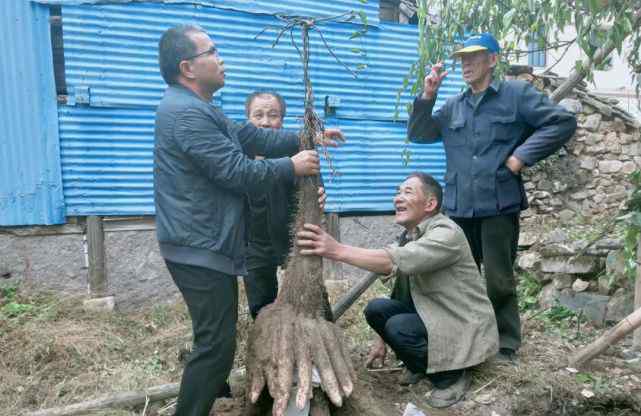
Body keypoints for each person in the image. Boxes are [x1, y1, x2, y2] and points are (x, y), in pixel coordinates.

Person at [154, 25, 343, 416]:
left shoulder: (201, 108)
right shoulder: (186, 115)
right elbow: (238, 172)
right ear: (188, 67)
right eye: (213, 51)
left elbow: (253, 138)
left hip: (203, 242)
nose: (220, 58)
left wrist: (306, 139)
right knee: (215, 347)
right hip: (198, 245)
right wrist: (292, 166)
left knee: (215, 343)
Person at [407, 33, 577, 362]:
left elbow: (561, 121)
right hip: (458, 206)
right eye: (462, 59)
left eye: (474, 57)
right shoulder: (453, 105)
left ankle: (506, 344)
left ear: (493, 60)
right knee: (455, 278)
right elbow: (418, 133)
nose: (466, 64)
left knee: (499, 278)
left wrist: (521, 157)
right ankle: (462, 338)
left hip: (498, 204)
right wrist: (428, 93)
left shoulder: (516, 94)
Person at [296, 172, 499, 408]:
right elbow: (400, 290)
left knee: (399, 327)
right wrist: (382, 340)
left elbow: (392, 261)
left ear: (430, 204)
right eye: (397, 192)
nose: (397, 198)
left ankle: (451, 376)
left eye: (407, 192)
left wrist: (335, 249)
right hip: (436, 314)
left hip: (461, 323)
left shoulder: (446, 233)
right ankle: (423, 365)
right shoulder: (412, 236)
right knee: (377, 309)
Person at [243, 90, 321, 318]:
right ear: (248, 119)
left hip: (293, 237)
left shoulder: (297, 149)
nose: (265, 122)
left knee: (312, 298)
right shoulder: (237, 152)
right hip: (253, 243)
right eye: (258, 115)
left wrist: (318, 196)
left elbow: (314, 186)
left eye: (273, 115)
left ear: (282, 120)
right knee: (261, 307)